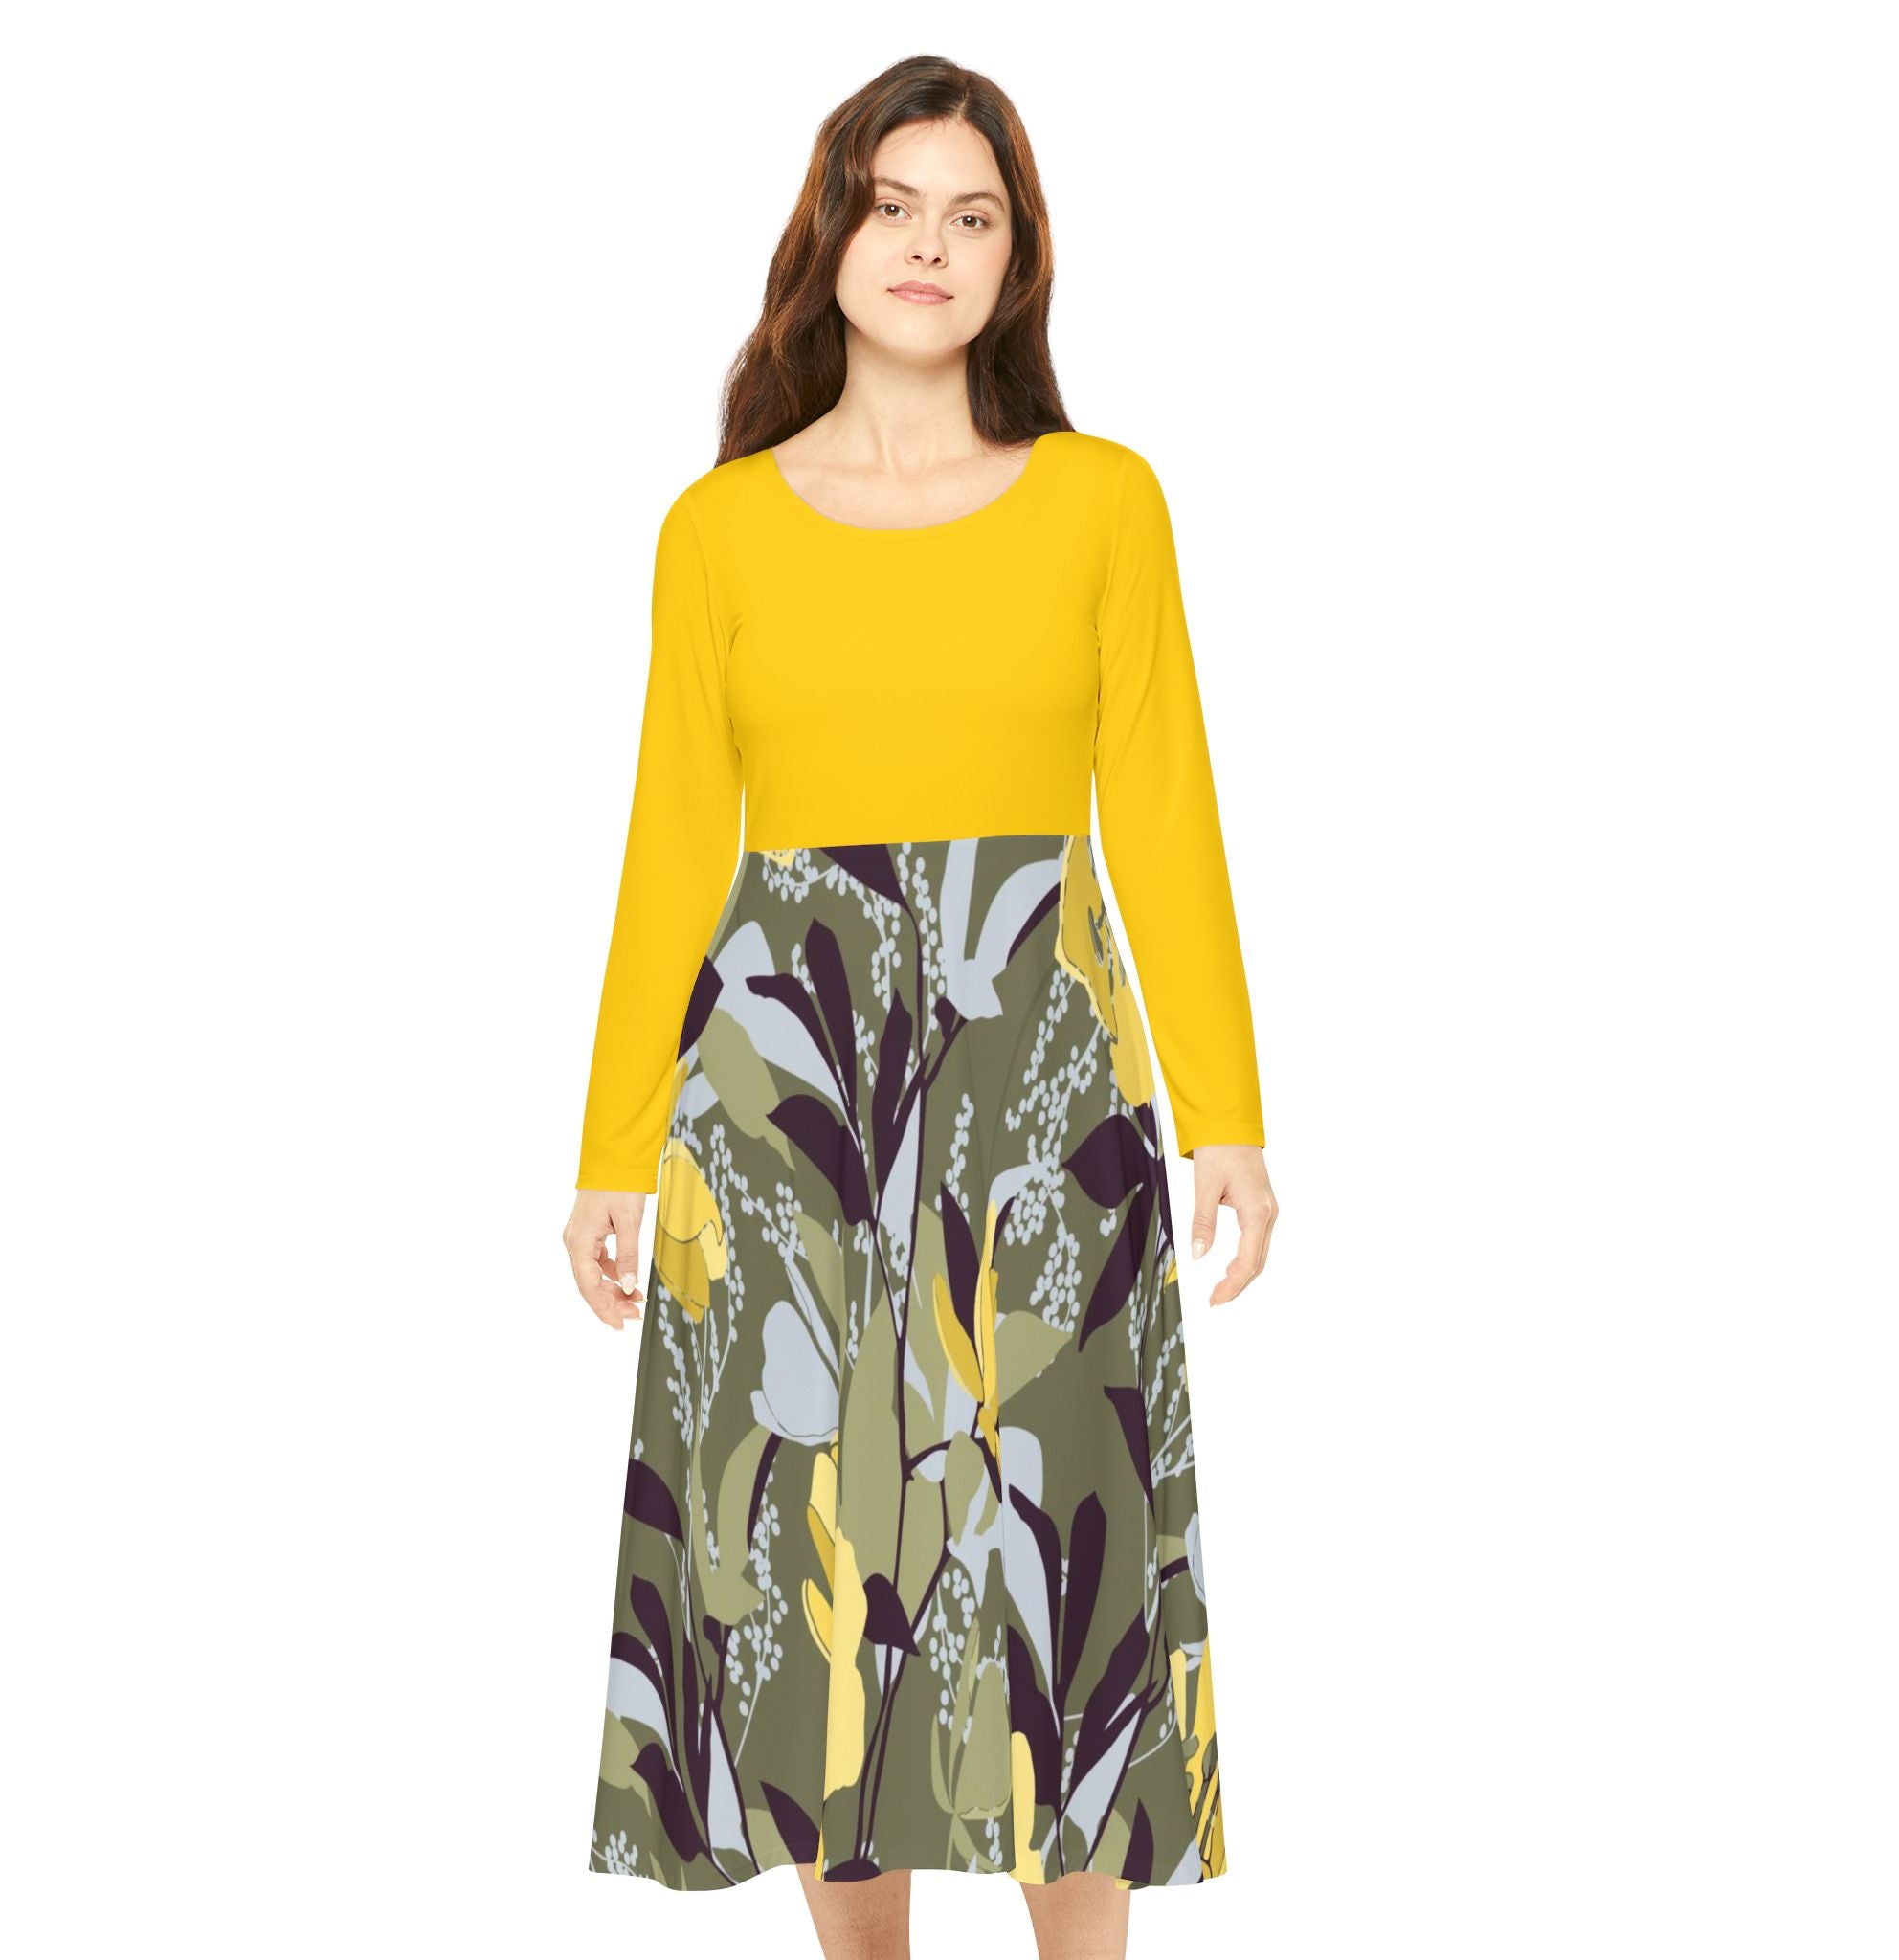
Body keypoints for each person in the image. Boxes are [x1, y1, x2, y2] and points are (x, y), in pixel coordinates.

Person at [564, 54, 1277, 1955]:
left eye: (973, 216)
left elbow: (1164, 812)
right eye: (894, 206)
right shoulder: (717, 530)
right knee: (826, 1584)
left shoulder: (1102, 504)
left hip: (1044, 1100)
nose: (930, 247)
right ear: (833, 231)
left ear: (1015, 259)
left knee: (1059, 1591)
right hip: (781, 1093)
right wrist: (614, 1149)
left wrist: (1225, 1116)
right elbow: (670, 849)